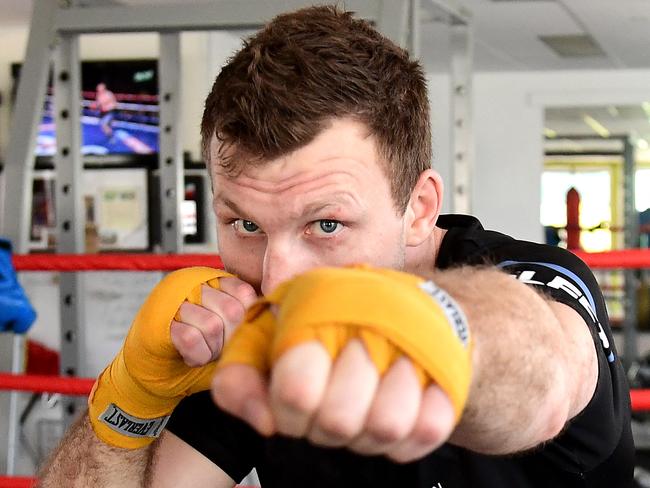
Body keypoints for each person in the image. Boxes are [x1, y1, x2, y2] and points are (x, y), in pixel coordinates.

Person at [36, 5, 633, 488]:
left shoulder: (538, 279)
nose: (278, 278)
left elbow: (546, 372)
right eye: (245, 225)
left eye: (326, 225)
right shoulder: (252, 323)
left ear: (419, 208)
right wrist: (128, 400)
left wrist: (430, 333)